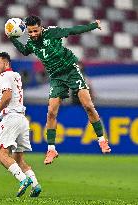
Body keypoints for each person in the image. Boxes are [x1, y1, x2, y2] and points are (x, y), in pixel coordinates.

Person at [6, 15, 111, 165]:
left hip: (71, 70)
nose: (33, 34)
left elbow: (73, 30)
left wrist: (93, 25)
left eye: (35, 31)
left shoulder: (52, 33)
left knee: (88, 106)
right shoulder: (31, 43)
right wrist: (12, 38)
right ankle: (51, 149)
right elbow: (24, 51)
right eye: (30, 32)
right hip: (56, 77)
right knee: (51, 112)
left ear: (40, 27)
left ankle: (102, 139)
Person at [0, 50, 41, 197]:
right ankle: (35, 184)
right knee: (18, 159)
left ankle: (23, 180)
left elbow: (7, 96)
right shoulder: (15, 74)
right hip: (22, 120)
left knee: (1, 155)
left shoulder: (4, 77)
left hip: (10, 118)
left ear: (7, 63)